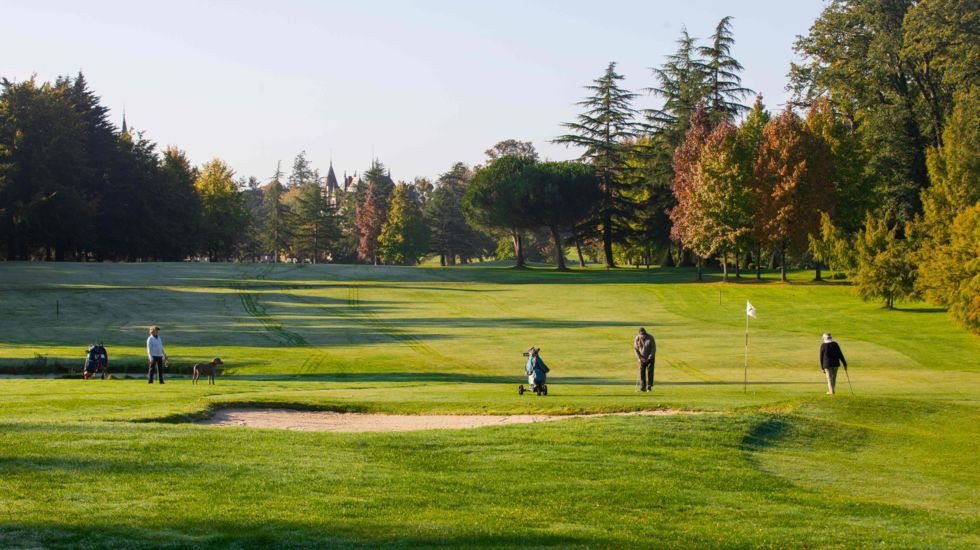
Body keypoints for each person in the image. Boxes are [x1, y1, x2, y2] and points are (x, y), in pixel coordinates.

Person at [634, 327, 656, 392]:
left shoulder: (650, 338)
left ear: (645, 334)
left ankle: (649, 387)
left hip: (650, 358)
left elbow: (653, 348)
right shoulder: (637, 338)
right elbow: (636, 349)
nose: (642, 336)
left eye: (643, 335)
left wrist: (650, 356)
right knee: (642, 373)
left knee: (650, 372)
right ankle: (643, 387)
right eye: (641, 335)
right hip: (642, 358)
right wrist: (639, 358)